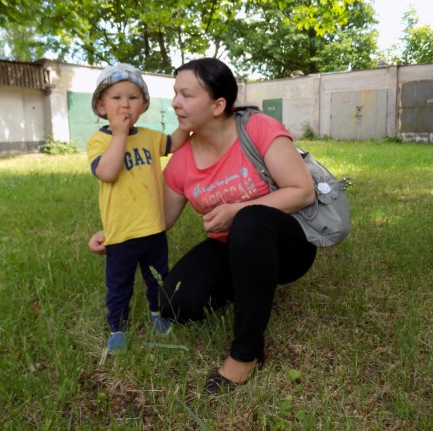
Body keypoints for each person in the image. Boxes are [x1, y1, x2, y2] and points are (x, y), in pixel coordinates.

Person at [89, 57, 317, 394]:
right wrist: (116, 233)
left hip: (287, 243)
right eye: (175, 93)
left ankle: (245, 354)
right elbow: (159, 219)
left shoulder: (257, 127)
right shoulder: (182, 160)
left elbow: (303, 192)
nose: (176, 102)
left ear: (218, 104)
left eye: (187, 95)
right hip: (229, 245)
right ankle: (253, 283)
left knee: (250, 221)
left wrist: (237, 209)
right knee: (174, 302)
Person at [87, 63, 188, 354]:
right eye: (116, 98)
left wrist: (189, 124)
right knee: (119, 286)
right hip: (120, 234)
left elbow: (174, 143)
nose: (125, 104)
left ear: (143, 105)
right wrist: (119, 135)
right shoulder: (99, 140)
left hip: (154, 228)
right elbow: (106, 172)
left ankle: (158, 315)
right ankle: (118, 328)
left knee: (158, 278)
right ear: (101, 106)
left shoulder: (148, 135)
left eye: (132, 97)